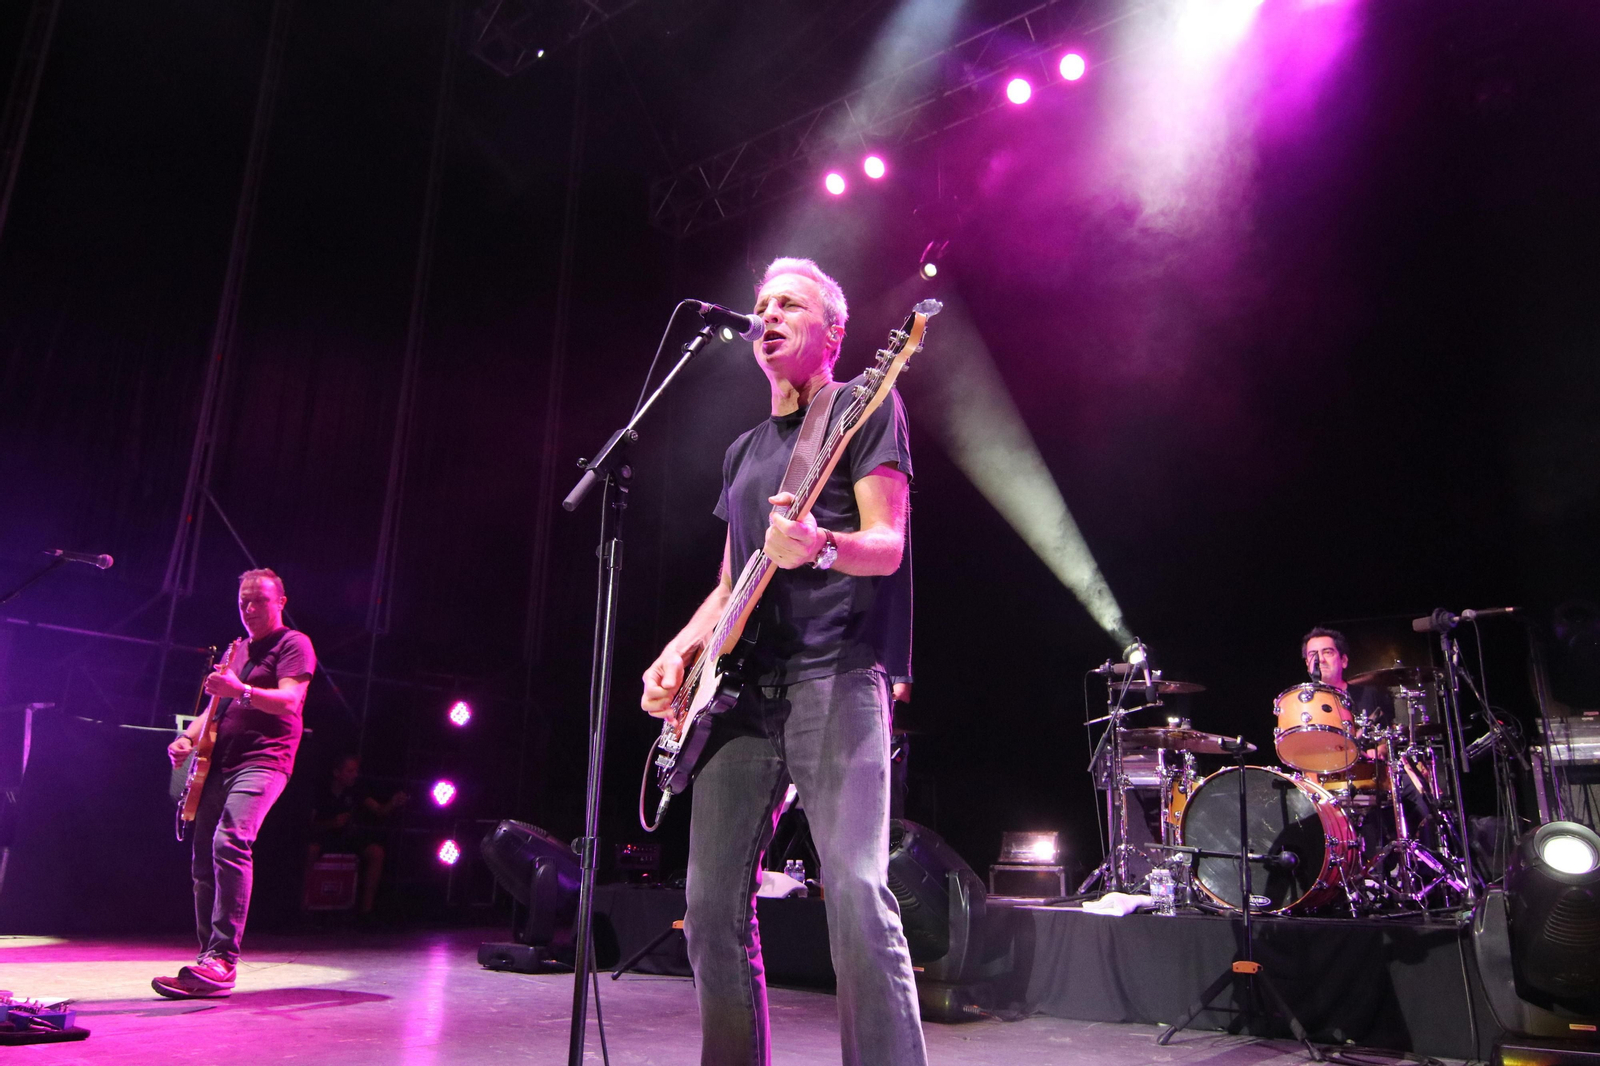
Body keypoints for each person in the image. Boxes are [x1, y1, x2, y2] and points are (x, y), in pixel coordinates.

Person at [641, 257, 926, 1066]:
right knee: (708, 908)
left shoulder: (865, 405)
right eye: (761, 304)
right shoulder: (741, 453)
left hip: (836, 671)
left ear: (833, 334)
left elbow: (887, 543)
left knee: (857, 894)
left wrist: (821, 545)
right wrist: (677, 653)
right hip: (739, 697)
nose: (765, 315)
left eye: (789, 305)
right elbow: (732, 582)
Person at [154, 568, 316, 999]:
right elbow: (214, 708)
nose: (250, 608)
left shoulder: (293, 644)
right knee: (202, 861)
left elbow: (290, 702)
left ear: (280, 602)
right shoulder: (238, 648)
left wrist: (240, 689)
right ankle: (206, 963)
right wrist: (188, 739)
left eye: (260, 600)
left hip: (265, 760)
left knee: (230, 840)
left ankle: (223, 959)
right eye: (244, 601)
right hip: (219, 763)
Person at [308, 754, 406, 916]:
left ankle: (366, 912)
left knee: (376, 852)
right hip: (324, 836)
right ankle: (303, 905)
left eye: (356, 771)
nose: (355, 775)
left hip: (347, 837)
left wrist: (393, 803)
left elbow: (379, 810)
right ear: (337, 772)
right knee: (310, 850)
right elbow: (309, 825)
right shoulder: (321, 791)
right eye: (350, 771)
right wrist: (331, 823)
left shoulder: (356, 790)